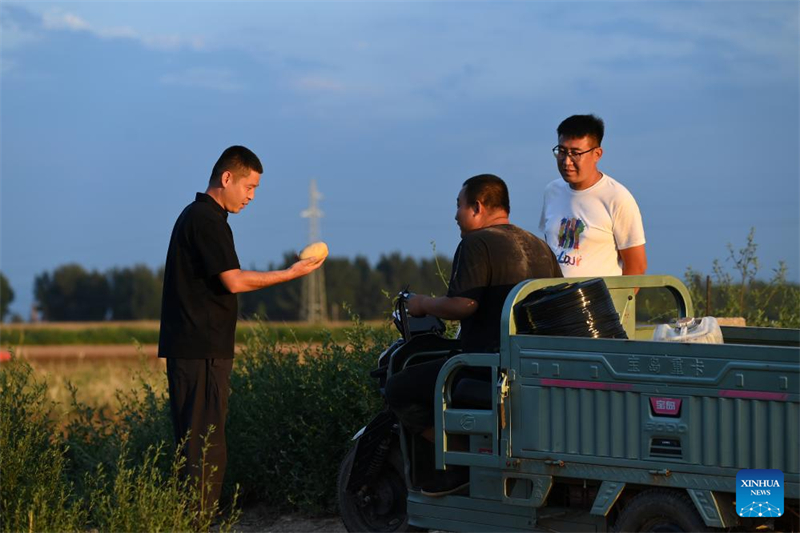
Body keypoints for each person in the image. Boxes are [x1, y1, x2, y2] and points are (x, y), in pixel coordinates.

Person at [158, 145, 324, 512]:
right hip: (200, 349)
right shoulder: (206, 219)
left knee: (196, 441)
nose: (251, 196)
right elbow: (233, 281)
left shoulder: (201, 217)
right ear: (227, 177)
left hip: (195, 347)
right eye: (249, 187)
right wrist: (290, 273)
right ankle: (197, 521)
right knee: (205, 442)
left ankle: (192, 518)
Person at [385, 174, 562, 496]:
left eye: (459, 206)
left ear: (477, 207)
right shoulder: (539, 247)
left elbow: (464, 305)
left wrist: (422, 304)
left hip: (485, 365)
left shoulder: (476, 242)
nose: (455, 215)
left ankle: (461, 462)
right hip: (532, 368)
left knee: (399, 388)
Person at [539, 114, 647, 277]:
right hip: (554, 299)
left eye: (575, 153)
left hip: (599, 301)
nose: (567, 161)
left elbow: (636, 267)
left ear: (597, 154)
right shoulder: (552, 191)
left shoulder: (617, 197)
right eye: (561, 151)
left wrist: (619, 302)